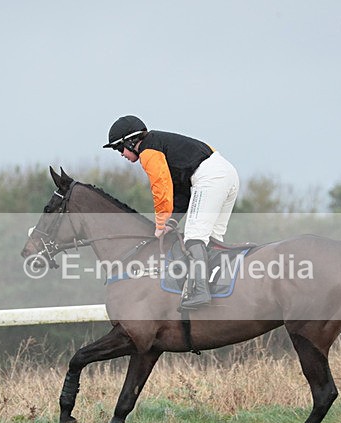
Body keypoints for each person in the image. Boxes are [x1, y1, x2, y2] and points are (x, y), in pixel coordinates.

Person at [103, 115, 240, 311]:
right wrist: (172, 222)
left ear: (131, 141)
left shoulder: (148, 151)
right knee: (212, 239)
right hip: (227, 174)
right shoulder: (163, 146)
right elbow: (182, 192)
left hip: (210, 178)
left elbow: (161, 189)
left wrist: (160, 224)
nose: (121, 154)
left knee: (194, 237)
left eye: (119, 148)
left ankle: (201, 292)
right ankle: (216, 289)